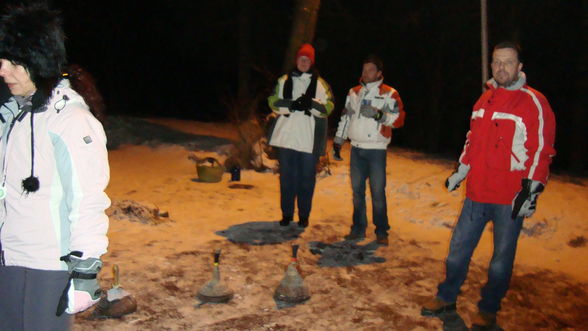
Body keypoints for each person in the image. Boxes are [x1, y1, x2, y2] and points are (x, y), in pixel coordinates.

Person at [421, 42, 556, 328]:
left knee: (500, 261)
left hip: (510, 197)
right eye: (496, 62)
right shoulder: (484, 101)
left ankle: (489, 308)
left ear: (520, 67)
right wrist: (462, 169)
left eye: (507, 62)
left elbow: (542, 149)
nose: (501, 68)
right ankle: (447, 297)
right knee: (457, 251)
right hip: (477, 194)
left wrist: (531, 190)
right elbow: (472, 140)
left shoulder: (534, 102)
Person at [0, 4, 110, 330]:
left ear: (37, 62)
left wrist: (86, 270)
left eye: (14, 63)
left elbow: (88, 198)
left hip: (49, 265)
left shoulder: (72, 121)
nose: (3, 70)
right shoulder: (13, 118)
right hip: (8, 256)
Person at [333, 55, 405, 246]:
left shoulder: (389, 93)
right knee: (357, 192)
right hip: (356, 149)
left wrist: (378, 114)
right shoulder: (354, 92)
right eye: (364, 70)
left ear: (379, 73)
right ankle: (358, 228)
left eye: (370, 70)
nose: (366, 74)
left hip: (376, 151)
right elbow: (346, 117)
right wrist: (339, 140)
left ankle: (382, 231)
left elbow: (399, 120)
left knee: (377, 193)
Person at [267, 43, 334, 228]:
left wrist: (310, 104)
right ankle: (287, 214)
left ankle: (304, 215)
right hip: (286, 138)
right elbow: (272, 102)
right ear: (296, 60)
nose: (304, 62)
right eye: (301, 59)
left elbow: (328, 107)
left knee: (306, 179)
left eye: (307, 60)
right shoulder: (284, 80)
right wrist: (291, 105)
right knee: (287, 178)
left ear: (311, 62)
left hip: (308, 139)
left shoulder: (321, 84)